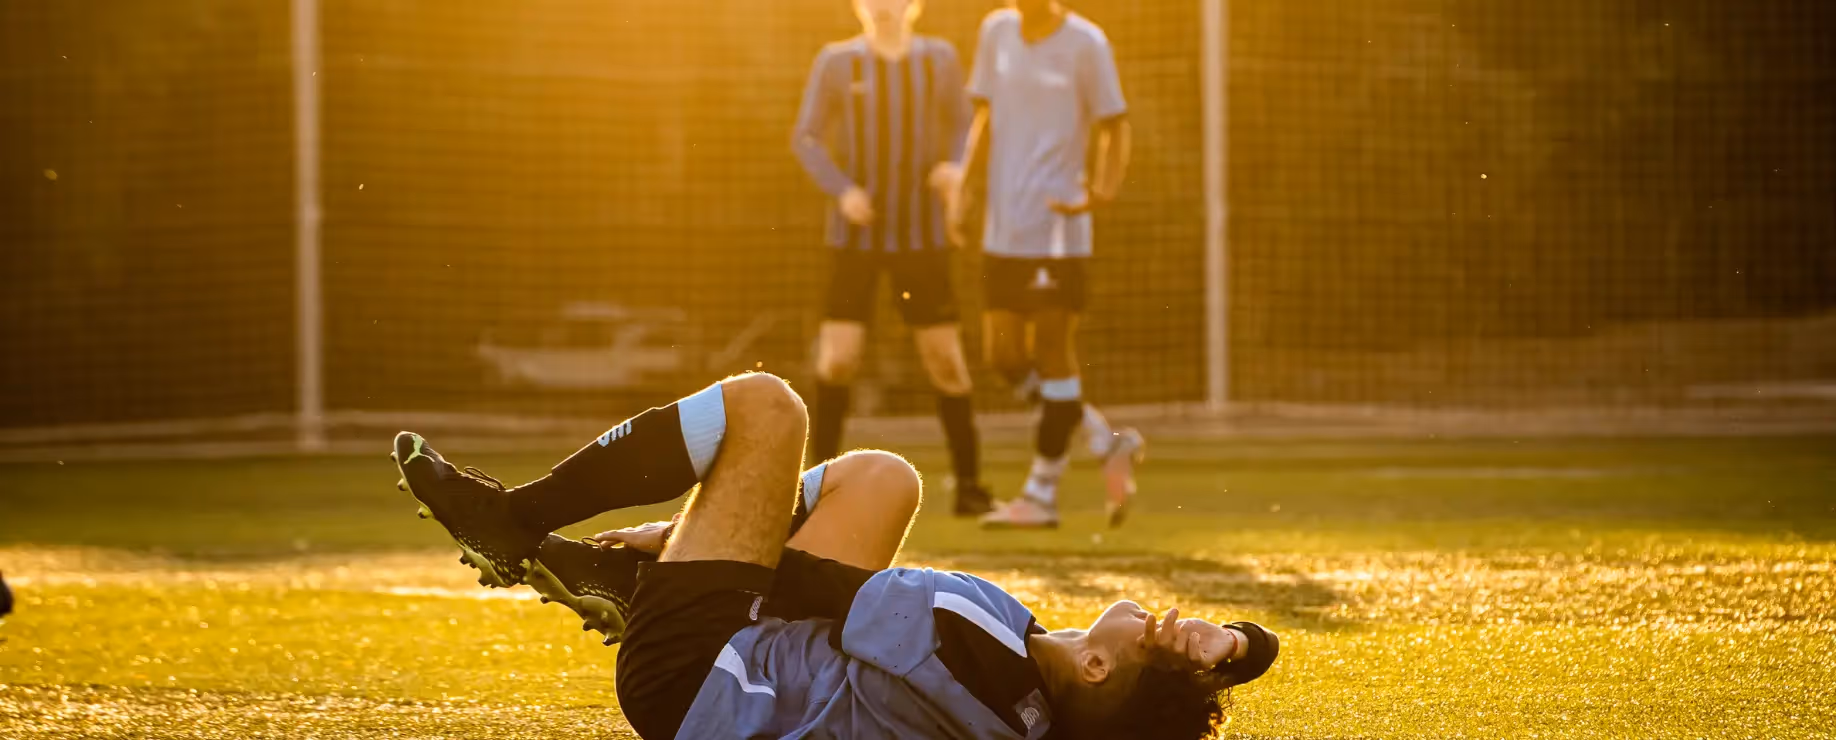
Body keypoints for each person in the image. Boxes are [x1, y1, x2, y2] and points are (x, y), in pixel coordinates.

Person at [390, 372, 1279, 740]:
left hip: (695, 673)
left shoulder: (976, 644)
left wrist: (668, 545)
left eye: (1158, 635)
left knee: (767, 409)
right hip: (736, 680)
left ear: (1093, 664)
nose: (1166, 619)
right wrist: (1230, 651)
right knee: (885, 478)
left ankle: (519, 520)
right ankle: (623, 581)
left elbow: (800, 578)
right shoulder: (1028, 703)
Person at [792, 0, 991, 516]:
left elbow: (966, 125)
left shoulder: (938, 59)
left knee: (946, 362)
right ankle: (813, 493)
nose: (885, 6)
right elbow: (806, 137)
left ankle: (969, 487)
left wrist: (952, 167)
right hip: (853, 239)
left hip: (923, 239)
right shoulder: (837, 61)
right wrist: (842, 190)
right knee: (838, 360)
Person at [952, 0, 1143, 530]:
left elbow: (1115, 124)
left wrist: (1103, 190)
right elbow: (985, 118)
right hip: (1003, 230)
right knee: (1004, 356)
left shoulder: (1088, 42)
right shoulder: (996, 31)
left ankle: (1040, 495)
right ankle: (1104, 441)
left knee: (1053, 351)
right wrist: (964, 188)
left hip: (1059, 228)